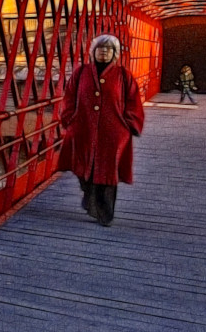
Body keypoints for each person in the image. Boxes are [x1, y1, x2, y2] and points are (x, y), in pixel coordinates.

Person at [58, 34, 145, 226]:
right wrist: (69, 120)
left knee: (108, 172)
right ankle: (90, 200)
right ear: (93, 52)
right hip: (83, 130)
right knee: (84, 169)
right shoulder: (81, 73)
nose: (103, 52)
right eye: (100, 49)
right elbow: (69, 98)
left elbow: (133, 102)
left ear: (115, 53)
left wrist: (129, 124)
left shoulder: (123, 75)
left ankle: (106, 213)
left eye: (108, 49)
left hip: (113, 133)